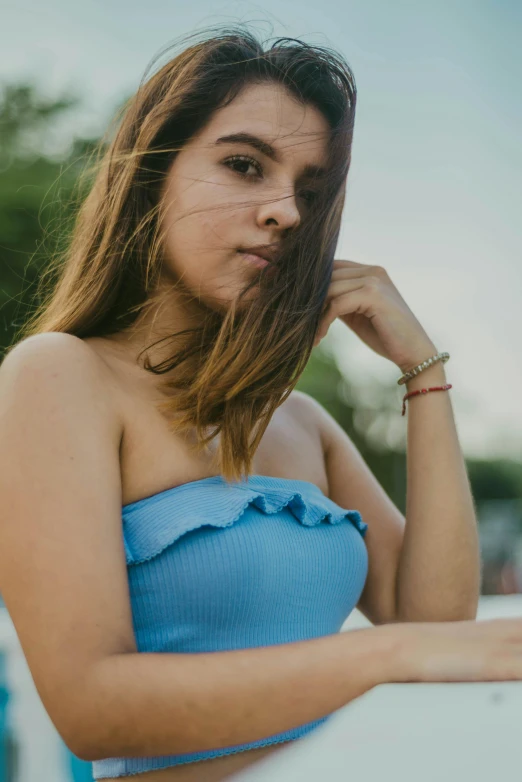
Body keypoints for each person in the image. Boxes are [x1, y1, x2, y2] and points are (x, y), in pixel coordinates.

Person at [0, 24, 521, 782]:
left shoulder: (302, 423)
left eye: (309, 192)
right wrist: (381, 655)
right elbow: (88, 707)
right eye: (245, 165)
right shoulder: (59, 376)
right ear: (153, 173)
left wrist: (422, 371)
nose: (286, 212)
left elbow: (434, 629)